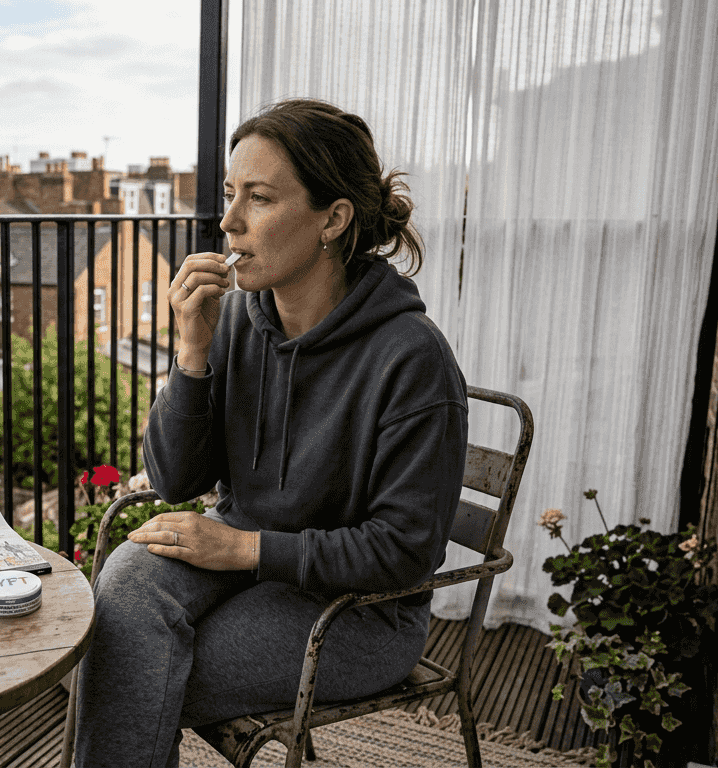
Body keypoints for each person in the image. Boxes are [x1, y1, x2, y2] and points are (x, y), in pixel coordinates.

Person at [73, 98, 469, 767]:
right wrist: (191, 353)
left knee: (135, 669)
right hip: (248, 570)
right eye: (230, 195)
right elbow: (175, 479)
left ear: (332, 218)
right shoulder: (236, 320)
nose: (227, 223)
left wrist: (246, 549)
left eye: (257, 198)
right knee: (126, 590)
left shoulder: (412, 360)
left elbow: (404, 551)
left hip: (360, 611)